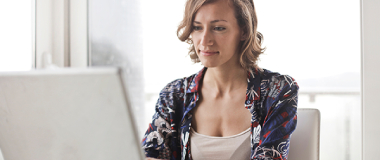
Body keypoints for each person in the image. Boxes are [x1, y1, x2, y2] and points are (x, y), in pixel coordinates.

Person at [142, 0, 299, 159]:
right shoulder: (174, 95)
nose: (204, 41)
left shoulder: (278, 90)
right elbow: (149, 154)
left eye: (218, 28)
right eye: (197, 27)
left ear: (244, 31)